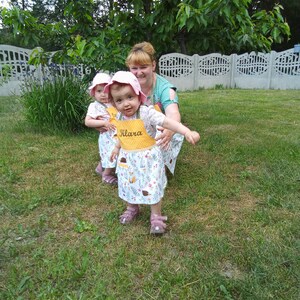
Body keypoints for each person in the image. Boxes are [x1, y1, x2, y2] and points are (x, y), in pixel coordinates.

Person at [105, 71, 200, 235]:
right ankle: (132, 208)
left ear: (138, 95)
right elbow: (122, 134)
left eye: (129, 97)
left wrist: (186, 132)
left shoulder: (146, 112)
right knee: (129, 184)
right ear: (114, 102)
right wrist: (116, 148)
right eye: (119, 100)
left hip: (148, 160)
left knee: (152, 187)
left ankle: (156, 216)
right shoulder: (119, 117)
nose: (126, 103)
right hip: (128, 160)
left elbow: (169, 122)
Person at [126, 41, 184, 174]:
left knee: (167, 131)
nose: (138, 72)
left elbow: (173, 113)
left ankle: (159, 168)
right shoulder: (127, 84)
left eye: (143, 67)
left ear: (153, 65)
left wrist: (169, 130)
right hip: (137, 125)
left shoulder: (165, 88)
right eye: (134, 68)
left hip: (159, 126)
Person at [85, 72, 118, 185]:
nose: (103, 94)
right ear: (94, 93)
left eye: (106, 91)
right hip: (107, 137)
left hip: (116, 134)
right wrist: (103, 122)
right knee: (111, 153)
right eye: (99, 91)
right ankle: (107, 174)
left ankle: (100, 168)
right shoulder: (94, 106)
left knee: (110, 153)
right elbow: (88, 121)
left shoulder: (114, 103)